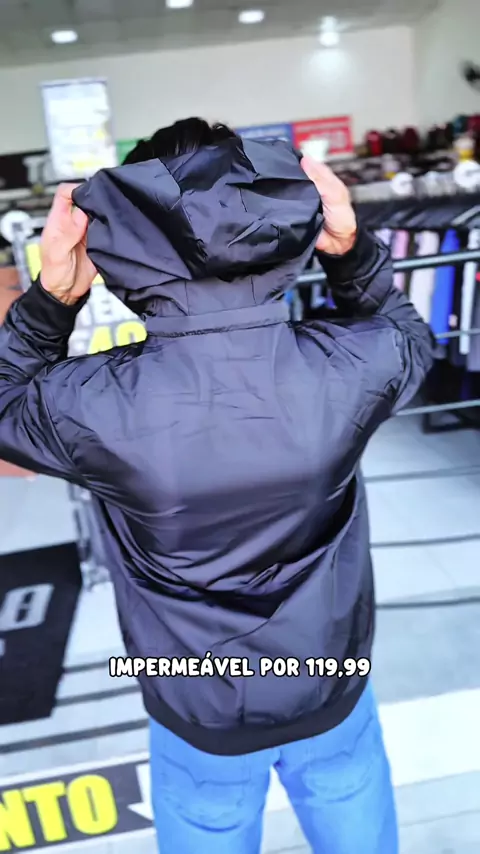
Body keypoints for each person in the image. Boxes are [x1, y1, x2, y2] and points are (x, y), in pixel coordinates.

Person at [0, 118, 434, 854]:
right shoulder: (352, 365)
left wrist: (53, 297)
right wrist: (349, 249)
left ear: (124, 238)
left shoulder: (91, 406)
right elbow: (409, 337)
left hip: (196, 707)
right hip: (329, 686)